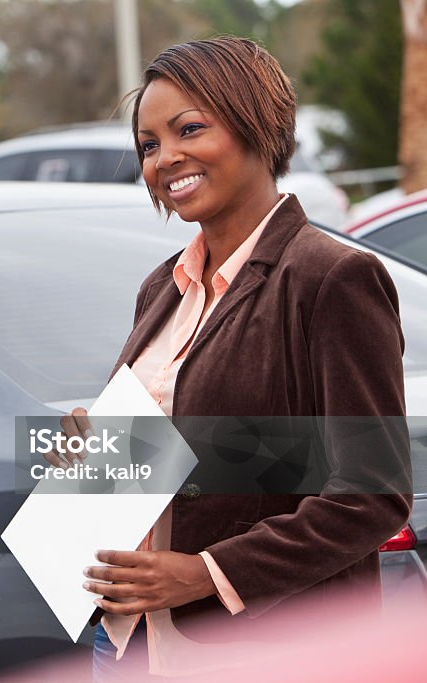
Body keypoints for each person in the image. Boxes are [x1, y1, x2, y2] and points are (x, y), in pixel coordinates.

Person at [45, 37, 411, 679]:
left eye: (190, 129)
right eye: (149, 145)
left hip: (265, 650)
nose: (166, 159)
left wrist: (207, 574)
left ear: (255, 124)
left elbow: (371, 495)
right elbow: (216, 456)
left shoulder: (331, 278)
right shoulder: (161, 288)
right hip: (127, 643)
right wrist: (97, 458)